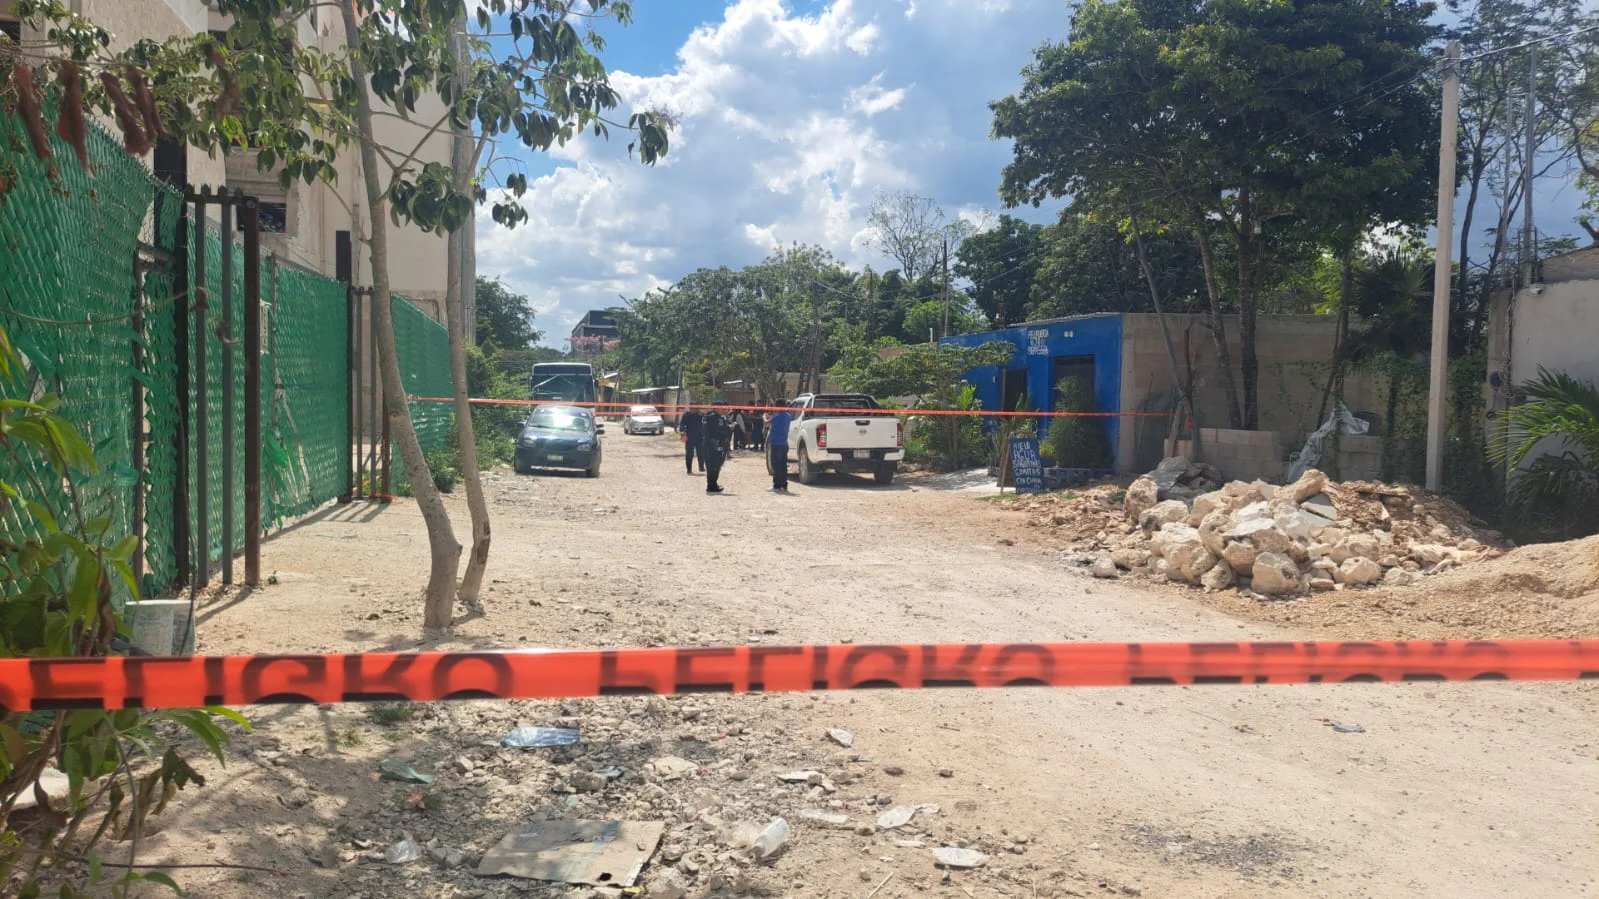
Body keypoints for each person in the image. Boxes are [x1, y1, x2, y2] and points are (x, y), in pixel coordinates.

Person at [701, 406, 731, 493]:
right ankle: (712, 486)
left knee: (713, 465)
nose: (724, 410)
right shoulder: (714, 418)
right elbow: (719, 430)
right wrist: (729, 428)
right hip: (714, 444)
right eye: (722, 409)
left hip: (711, 443)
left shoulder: (710, 416)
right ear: (717, 408)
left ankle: (712, 485)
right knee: (714, 465)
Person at [766, 400, 792, 493]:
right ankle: (783, 485)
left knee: (776, 465)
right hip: (784, 443)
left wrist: (764, 417)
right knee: (783, 465)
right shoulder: (788, 416)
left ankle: (777, 485)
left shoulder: (778, 416)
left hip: (776, 444)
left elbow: (766, 423)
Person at [679, 407, 703, 474]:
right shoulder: (686, 415)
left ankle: (701, 467)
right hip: (689, 437)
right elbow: (682, 424)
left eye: (695, 408)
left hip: (700, 437)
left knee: (701, 453)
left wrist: (702, 415)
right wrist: (682, 431)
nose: (694, 410)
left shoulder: (700, 415)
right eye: (692, 408)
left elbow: (706, 423)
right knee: (689, 454)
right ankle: (689, 469)